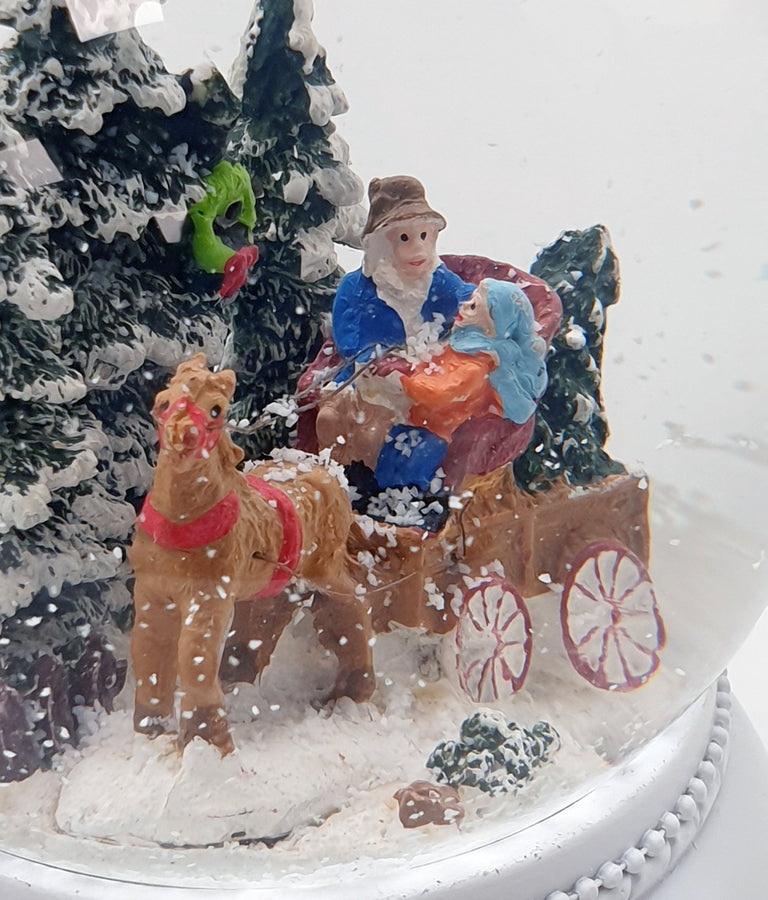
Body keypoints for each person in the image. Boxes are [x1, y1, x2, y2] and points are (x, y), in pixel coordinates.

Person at [314, 176, 474, 480]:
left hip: (418, 381)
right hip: (365, 377)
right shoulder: (357, 288)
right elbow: (349, 338)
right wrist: (376, 356)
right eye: (404, 239)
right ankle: (334, 476)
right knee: (330, 420)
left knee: (372, 435)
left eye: (424, 236)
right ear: (381, 243)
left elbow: (470, 298)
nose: (418, 249)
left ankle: (368, 484)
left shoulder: (437, 280)